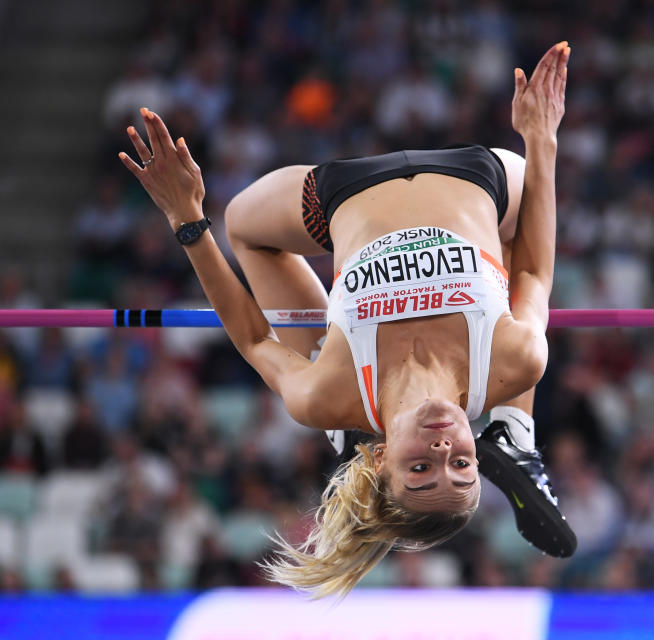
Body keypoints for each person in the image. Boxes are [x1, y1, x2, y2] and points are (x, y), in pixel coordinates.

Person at [119, 42, 574, 598]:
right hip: (480, 176)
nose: (441, 451)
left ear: (381, 458)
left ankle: (344, 423)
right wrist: (541, 136)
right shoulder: (510, 362)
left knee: (240, 222)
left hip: (340, 193)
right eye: (461, 463)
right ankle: (516, 431)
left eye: (420, 472)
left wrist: (186, 219)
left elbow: (255, 337)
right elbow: (534, 272)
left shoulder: (326, 395)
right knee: (529, 197)